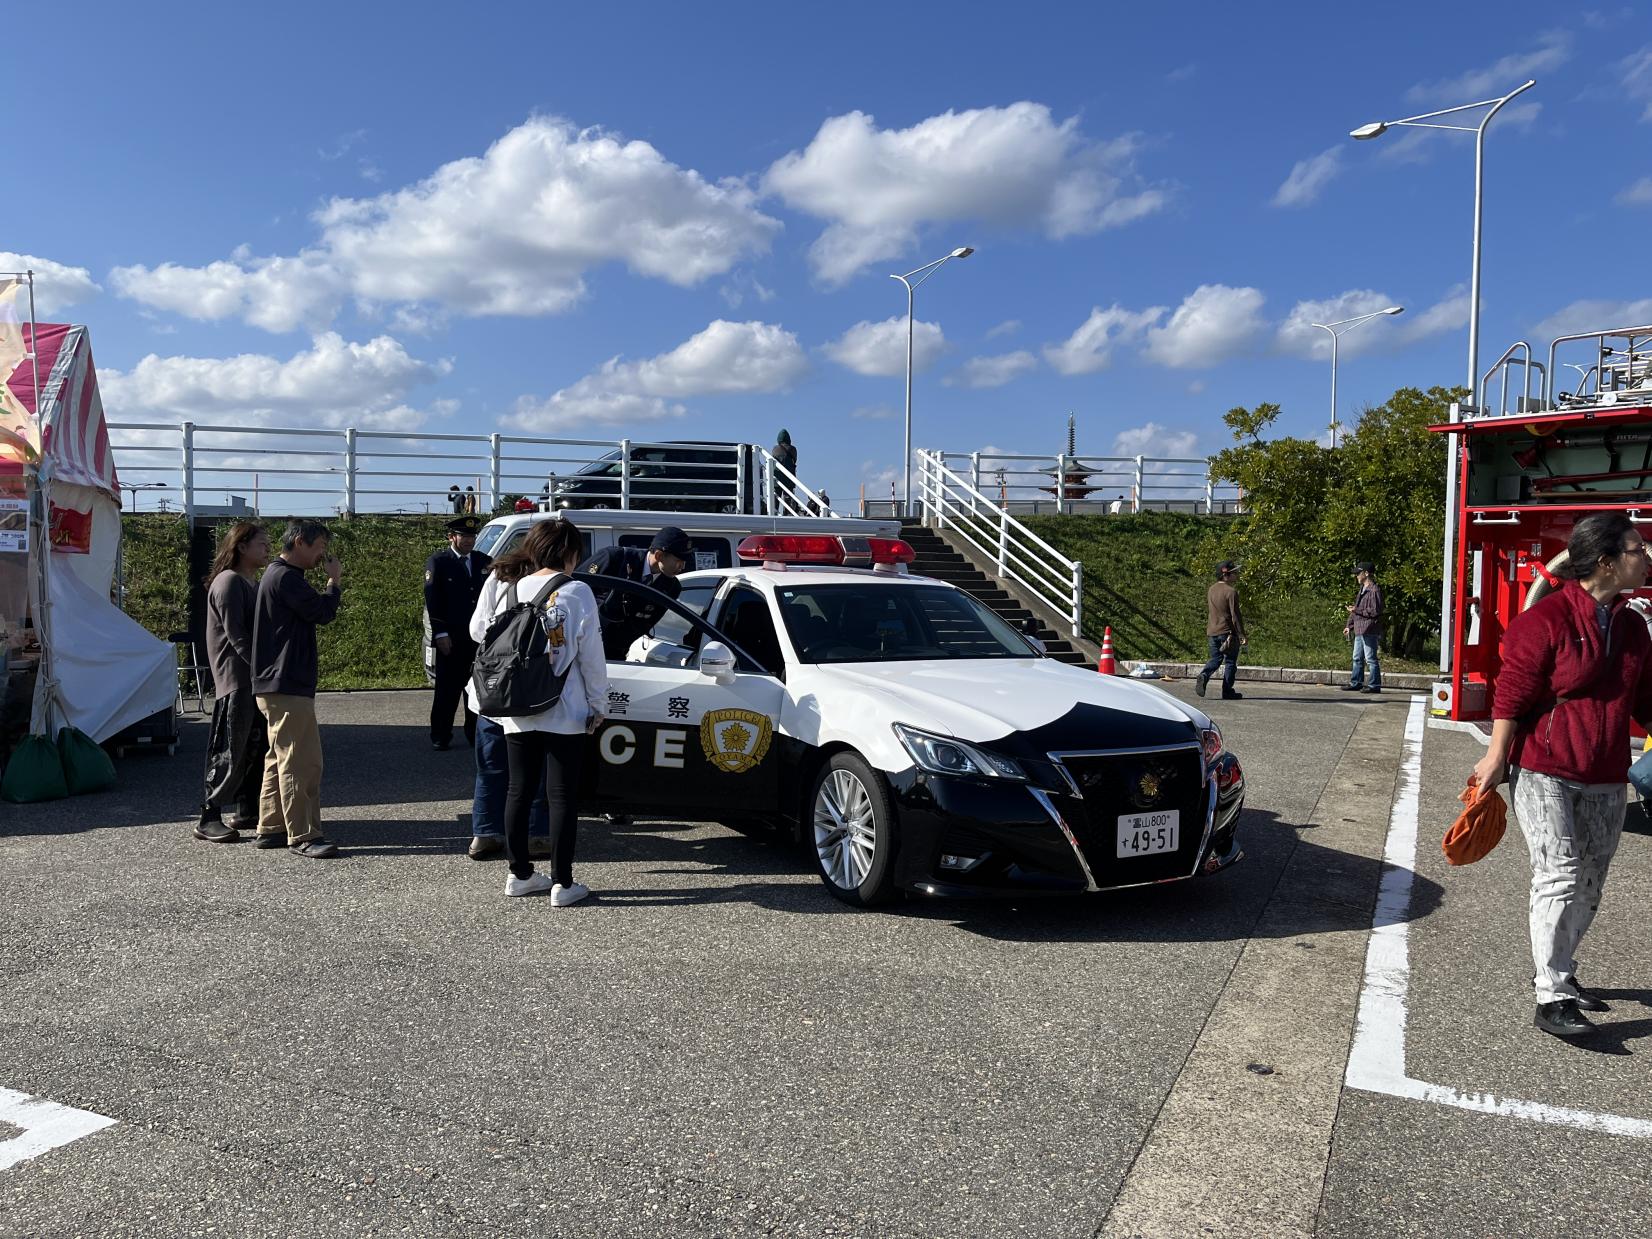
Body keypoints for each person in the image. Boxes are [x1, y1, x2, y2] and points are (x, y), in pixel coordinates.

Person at [1472, 514, 1652, 1039]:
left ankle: (1561, 973)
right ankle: (1550, 995)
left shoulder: (1634, 626)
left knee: (1591, 883)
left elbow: (1645, 698)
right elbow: (1511, 695)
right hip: (1544, 770)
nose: (1646, 557)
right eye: (1637, 548)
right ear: (1606, 562)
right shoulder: (1544, 621)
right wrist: (1496, 757)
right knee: (1561, 873)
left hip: (1605, 774)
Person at [473, 518, 608, 901]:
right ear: (569, 552)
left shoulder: (508, 585)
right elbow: (591, 656)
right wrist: (599, 704)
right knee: (561, 795)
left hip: (516, 702)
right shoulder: (577, 591)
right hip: (564, 707)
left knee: (518, 789)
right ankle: (563, 883)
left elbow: (478, 632)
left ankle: (519, 875)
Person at [251, 521, 343, 858]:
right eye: (319, 546)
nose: (322, 555)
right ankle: (303, 835)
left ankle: (271, 826)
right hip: (287, 680)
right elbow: (322, 612)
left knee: (279, 757)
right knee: (301, 760)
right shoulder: (286, 578)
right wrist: (334, 582)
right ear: (300, 542)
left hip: (275, 681)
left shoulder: (277, 576)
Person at [195, 522, 272, 842]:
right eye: (261, 543)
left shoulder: (250, 582)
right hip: (237, 679)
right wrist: (263, 669)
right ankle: (208, 816)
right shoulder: (228, 583)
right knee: (230, 746)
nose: (267, 548)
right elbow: (236, 636)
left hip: (252, 679)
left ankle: (247, 809)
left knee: (256, 746)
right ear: (241, 546)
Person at [424, 515, 491, 750]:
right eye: (464, 536)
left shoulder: (484, 561)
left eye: (472, 536)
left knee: (476, 688)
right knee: (447, 690)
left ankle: (474, 735)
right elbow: (434, 600)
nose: (469, 541)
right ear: (452, 537)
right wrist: (440, 633)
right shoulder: (439, 562)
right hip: (451, 638)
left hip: (477, 639)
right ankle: (440, 735)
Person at [579, 525, 693, 660]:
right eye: (678, 561)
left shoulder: (672, 588)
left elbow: (643, 624)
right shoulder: (615, 558)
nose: (682, 567)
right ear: (659, 555)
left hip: (615, 653)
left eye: (684, 561)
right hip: (583, 646)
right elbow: (574, 591)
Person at [1195, 560, 1246, 700]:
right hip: (1227, 633)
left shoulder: (1211, 589)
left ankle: (1204, 675)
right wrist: (1241, 634)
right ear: (1226, 575)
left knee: (1216, 658)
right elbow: (1235, 615)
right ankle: (1227, 691)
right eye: (1234, 572)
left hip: (1212, 631)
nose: (1237, 575)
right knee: (1230, 662)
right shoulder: (1231, 592)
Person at [1341, 562, 1384, 694]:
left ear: (1366, 573)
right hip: (1360, 628)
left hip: (1369, 629)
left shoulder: (1374, 590)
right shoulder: (1362, 590)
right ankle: (1356, 682)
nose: (1356, 576)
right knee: (1357, 657)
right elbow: (1356, 610)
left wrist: (1357, 610)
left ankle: (1374, 685)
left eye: (1358, 573)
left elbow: (1375, 611)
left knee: (1370, 658)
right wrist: (1349, 626)